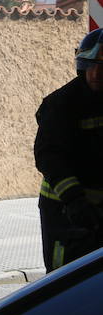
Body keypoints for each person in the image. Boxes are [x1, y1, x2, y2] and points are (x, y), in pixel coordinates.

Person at [35, 28, 103, 273]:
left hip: (96, 212)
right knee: (65, 279)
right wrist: (75, 201)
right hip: (65, 213)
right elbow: (49, 157)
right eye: (90, 65)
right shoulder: (62, 104)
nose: (96, 73)